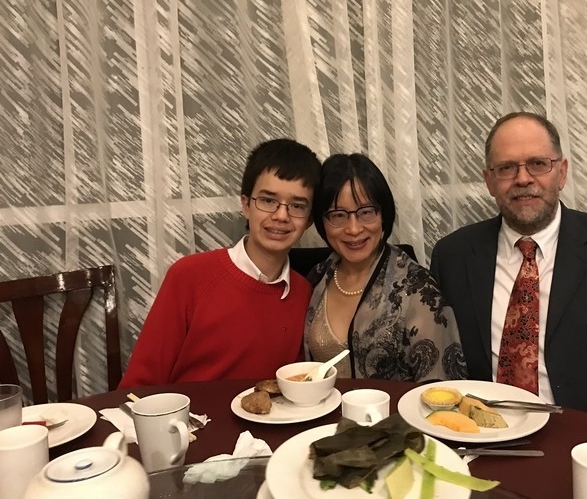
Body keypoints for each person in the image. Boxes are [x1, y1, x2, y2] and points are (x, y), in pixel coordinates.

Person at [430, 112, 587, 437]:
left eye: (538, 164)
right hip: (483, 437)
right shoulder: (452, 256)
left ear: (562, 172)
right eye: (507, 168)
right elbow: (442, 366)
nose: (523, 179)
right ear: (489, 181)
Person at [119, 138, 321, 387]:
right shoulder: (189, 276)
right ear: (246, 205)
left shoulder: (304, 294)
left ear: (309, 220)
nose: (281, 215)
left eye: (297, 206)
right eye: (268, 201)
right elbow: (138, 386)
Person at [303, 153, 466, 382]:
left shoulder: (417, 289)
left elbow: (442, 387)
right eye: (338, 215)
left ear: (383, 215)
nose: (353, 229)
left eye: (366, 212)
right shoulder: (317, 277)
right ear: (322, 222)